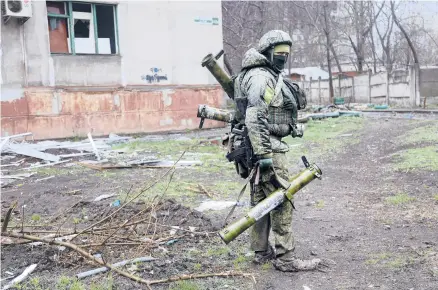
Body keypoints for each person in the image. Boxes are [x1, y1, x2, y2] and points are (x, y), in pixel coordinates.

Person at [232, 30, 321, 272]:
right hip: (266, 147)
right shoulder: (262, 77)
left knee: (261, 200)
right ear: (267, 52)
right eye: (279, 53)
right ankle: (286, 258)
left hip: (256, 146)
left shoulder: (254, 73)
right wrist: (264, 155)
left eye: (286, 54)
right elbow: (255, 115)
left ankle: (261, 252)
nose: (283, 57)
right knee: (281, 199)